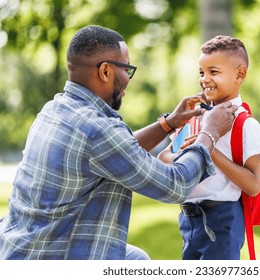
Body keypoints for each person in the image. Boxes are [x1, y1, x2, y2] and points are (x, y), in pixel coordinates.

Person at [0, 26, 237, 260]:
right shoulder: (98, 129)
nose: (129, 80)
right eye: (128, 70)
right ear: (105, 71)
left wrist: (168, 124)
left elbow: (117, 152)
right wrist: (210, 132)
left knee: (137, 259)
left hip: (20, 249)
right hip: (55, 260)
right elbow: (174, 186)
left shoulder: (55, 109)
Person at [158, 35, 260, 260]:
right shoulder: (194, 117)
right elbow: (163, 156)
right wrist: (186, 154)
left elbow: (254, 185)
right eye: (201, 72)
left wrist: (208, 148)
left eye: (213, 72)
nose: (204, 79)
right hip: (189, 219)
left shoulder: (245, 125)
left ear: (240, 74)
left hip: (223, 218)